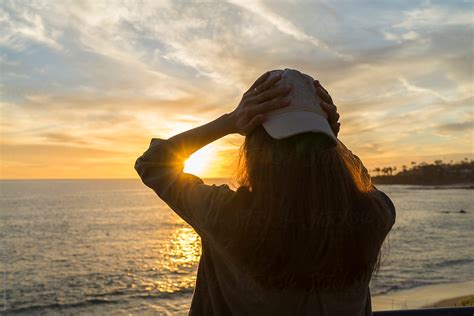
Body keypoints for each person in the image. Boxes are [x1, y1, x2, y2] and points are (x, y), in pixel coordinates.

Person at [135, 68, 396, 315]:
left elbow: (153, 162)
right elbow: (360, 183)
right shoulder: (373, 217)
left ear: (254, 148)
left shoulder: (225, 215)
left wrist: (229, 121)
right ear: (329, 149)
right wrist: (330, 137)